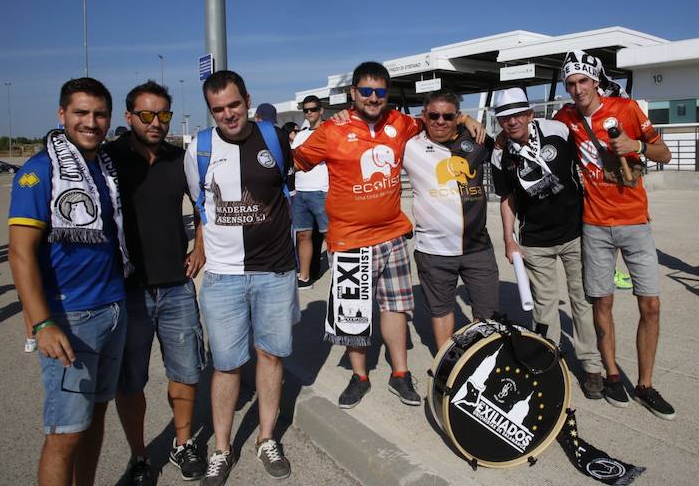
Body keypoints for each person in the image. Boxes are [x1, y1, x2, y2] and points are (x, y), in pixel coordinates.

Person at [293, 61, 484, 409]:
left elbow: (434, 120)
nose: (373, 98)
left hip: (392, 235)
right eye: (365, 91)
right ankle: (360, 376)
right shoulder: (331, 130)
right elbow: (297, 161)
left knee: (395, 308)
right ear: (353, 94)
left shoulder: (400, 122)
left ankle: (400, 374)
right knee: (355, 313)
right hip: (350, 239)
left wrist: (467, 119)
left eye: (380, 92)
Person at [8, 77, 130, 486]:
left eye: (99, 114)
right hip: (70, 317)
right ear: (62, 115)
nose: (90, 122)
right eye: (80, 113)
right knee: (65, 433)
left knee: (95, 418)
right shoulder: (39, 171)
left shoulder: (105, 168)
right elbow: (20, 252)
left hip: (114, 308)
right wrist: (41, 321)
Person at [184, 70, 297, 484]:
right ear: (209, 111)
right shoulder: (198, 148)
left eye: (234, 105)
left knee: (270, 356)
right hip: (223, 277)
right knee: (227, 365)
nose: (229, 114)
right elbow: (201, 206)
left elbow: (287, 192)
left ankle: (266, 438)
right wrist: (199, 246)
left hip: (275, 272)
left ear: (247, 99)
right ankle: (221, 448)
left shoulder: (274, 138)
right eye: (218, 109)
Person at [553, 50, 675, 420]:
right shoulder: (566, 118)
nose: (577, 89)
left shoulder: (628, 109)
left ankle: (646, 385)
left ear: (596, 81)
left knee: (649, 305)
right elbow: (526, 132)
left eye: (583, 81)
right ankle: (612, 375)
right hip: (594, 225)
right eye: (571, 83)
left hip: (636, 222)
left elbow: (665, 154)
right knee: (601, 305)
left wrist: (636, 146)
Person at [104, 81, 207, 484]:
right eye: (146, 115)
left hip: (177, 287)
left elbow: (203, 204)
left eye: (163, 115)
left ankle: (182, 444)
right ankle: (140, 456)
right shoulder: (108, 159)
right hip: (127, 290)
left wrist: (199, 246)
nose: (156, 122)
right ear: (128, 117)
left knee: (185, 371)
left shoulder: (179, 160)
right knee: (130, 380)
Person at [490, 87, 604, 400]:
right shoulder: (501, 153)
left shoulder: (558, 131)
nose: (512, 122)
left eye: (517, 115)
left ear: (529, 114)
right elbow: (507, 198)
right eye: (504, 118)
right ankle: (550, 360)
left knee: (582, 300)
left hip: (575, 234)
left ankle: (591, 365)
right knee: (545, 306)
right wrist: (508, 239)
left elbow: (589, 163)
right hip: (536, 241)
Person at [403, 90, 498, 351]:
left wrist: (469, 120)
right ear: (424, 116)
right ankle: (448, 367)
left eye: (448, 116)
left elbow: (505, 146)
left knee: (486, 313)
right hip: (434, 251)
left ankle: (481, 362)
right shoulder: (410, 145)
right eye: (434, 115)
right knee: (441, 310)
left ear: (456, 117)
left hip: (478, 247)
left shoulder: (477, 140)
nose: (440, 121)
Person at [290, 95, 329, 289]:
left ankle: (341, 275)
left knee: (330, 236)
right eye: (306, 110)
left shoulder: (329, 131)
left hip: (321, 190)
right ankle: (304, 277)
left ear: (321, 110)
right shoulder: (300, 134)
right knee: (302, 236)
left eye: (313, 109)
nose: (309, 113)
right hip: (301, 192)